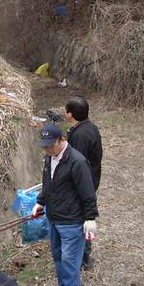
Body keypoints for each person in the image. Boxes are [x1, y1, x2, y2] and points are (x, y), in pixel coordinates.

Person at [32, 124, 98, 286]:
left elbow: (87, 192)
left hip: (72, 220)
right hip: (54, 217)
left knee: (70, 260)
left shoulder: (77, 161)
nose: (48, 149)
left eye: (51, 145)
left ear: (62, 140)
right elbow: (48, 183)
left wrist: (90, 218)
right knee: (58, 256)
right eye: (45, 146)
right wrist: (41, 202)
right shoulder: (50, 157)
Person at [65, 96, 103, 269]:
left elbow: (76, 164)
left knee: (83, 219)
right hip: (90, 180)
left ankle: (84, 258)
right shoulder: (89, 128)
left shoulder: (80, 135)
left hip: (83, 184)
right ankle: (84, 256)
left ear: (70, 114)